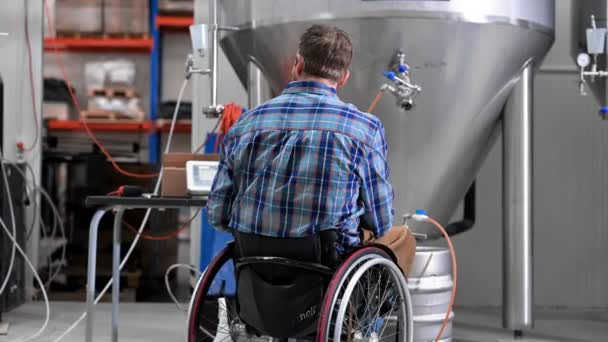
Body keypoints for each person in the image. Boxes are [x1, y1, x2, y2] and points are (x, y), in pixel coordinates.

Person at [206, 24, 416, 274]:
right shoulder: (363, 128)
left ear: (298, 64)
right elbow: (381, 222)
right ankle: (365, 312)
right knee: (402, 238)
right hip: (325, 267)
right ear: (344, 77)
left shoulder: (246, 123)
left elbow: (217, 215)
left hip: (254, 262)